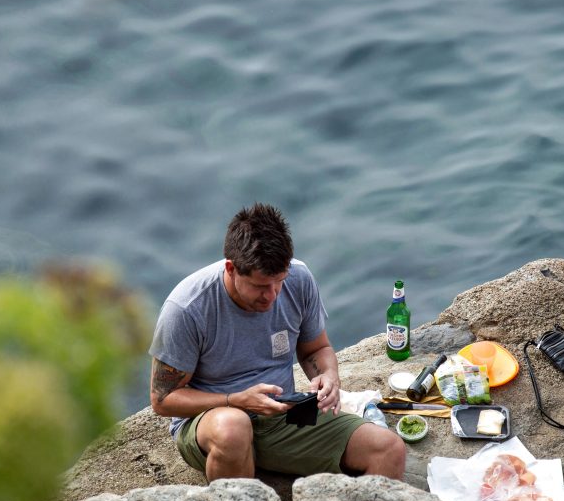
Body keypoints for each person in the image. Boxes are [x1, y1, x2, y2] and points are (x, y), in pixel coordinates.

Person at [148, 203, 406, 483]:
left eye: (279, 282)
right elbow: (163, 400)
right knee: (234, 428)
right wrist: (233, 400)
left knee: (389, 450)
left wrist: (328, 377)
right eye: (260, 286)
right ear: (231, 269)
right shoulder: (187, 307)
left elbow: (316, 349)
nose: (271, 296)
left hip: (282, 414)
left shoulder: (299, 279)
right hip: (212, 420)